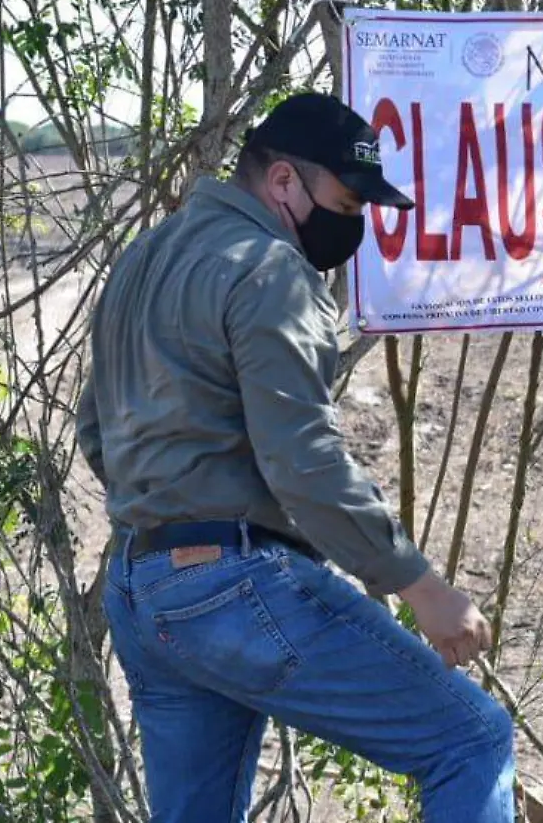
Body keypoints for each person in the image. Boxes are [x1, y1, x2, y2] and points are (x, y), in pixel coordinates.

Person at [76, 92, 517, 823]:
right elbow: (303, 460)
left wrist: (174, 509)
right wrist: (422, 587)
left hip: (140, 584)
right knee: (469, 739)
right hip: (233, 586)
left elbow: (97, 429)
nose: (354, 225)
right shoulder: (269, 269)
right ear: (284, 181)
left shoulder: (145, 257)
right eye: (347, 202)